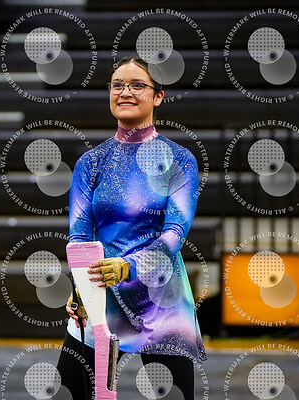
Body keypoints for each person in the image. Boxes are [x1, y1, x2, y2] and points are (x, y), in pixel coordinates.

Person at [57, 56, 206, 399]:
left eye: (137, 85)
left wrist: (128, 267)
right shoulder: (91, 163)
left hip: (162, 303)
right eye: (117, 85)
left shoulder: (179, 160)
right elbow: (79, 236)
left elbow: (174, 234)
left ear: (158, 96)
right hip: (101, 296)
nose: (125, 92)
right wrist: (81, 285)